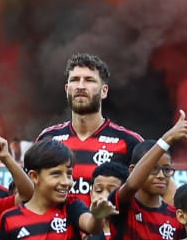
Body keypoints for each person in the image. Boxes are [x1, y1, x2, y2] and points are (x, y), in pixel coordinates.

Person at [36, 54, 144, 201]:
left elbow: (156, 195)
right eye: (74, 80)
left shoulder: (129, 141)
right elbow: (31, 192)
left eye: (89, 80)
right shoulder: (48, 139)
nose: (80, 86)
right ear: (67, 89)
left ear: (104, 91)